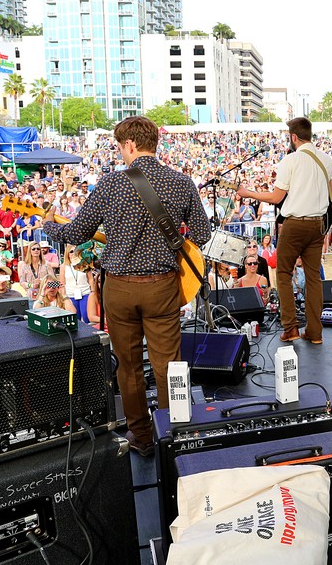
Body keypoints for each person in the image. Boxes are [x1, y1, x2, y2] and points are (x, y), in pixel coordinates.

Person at [42, 116, 211, 457]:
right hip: (163, 286)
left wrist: (49, 226)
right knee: (169, 366)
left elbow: (76, 233)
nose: (120, 152)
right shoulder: (181, 182)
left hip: (119, 288)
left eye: (120, 146)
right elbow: (203, 234)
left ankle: (142, 437)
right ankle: (173, 434)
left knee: (129, 366)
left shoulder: (110, 184)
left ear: (130, 144)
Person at [237, 117, 332, 346]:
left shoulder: (290, 161)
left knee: (283, 273)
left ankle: (291, 328)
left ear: (293, 137)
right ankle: (315, 332)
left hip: (295, 224)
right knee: (313, 278)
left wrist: (248, 193)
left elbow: (275, 197)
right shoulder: (326, 159)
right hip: (318, 225)